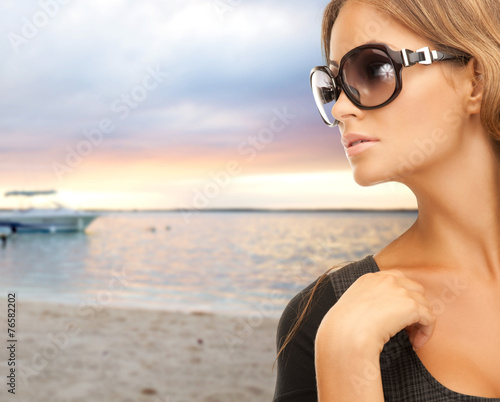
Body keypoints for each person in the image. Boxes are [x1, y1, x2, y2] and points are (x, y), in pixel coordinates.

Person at [274, 0, 500, 401]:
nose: (341, 108)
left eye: (373, 69)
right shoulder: (326, 315)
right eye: (334, 85)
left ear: (476, 79)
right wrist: (343, 358)